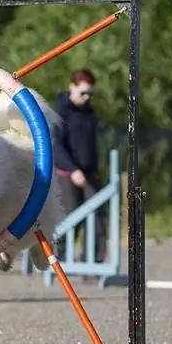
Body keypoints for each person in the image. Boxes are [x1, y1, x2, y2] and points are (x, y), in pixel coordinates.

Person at [53, 68, 107, 267]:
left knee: (97, 219)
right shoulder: (60, 111)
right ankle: (59, 261)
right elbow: (55, 144)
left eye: (89, 93)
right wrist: (72, 169)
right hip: (66, 172)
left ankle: (94, 263)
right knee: (68, 218)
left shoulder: (89, 112)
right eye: (83, 93)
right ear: (72, 87)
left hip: (89, 173)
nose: (86, 98)